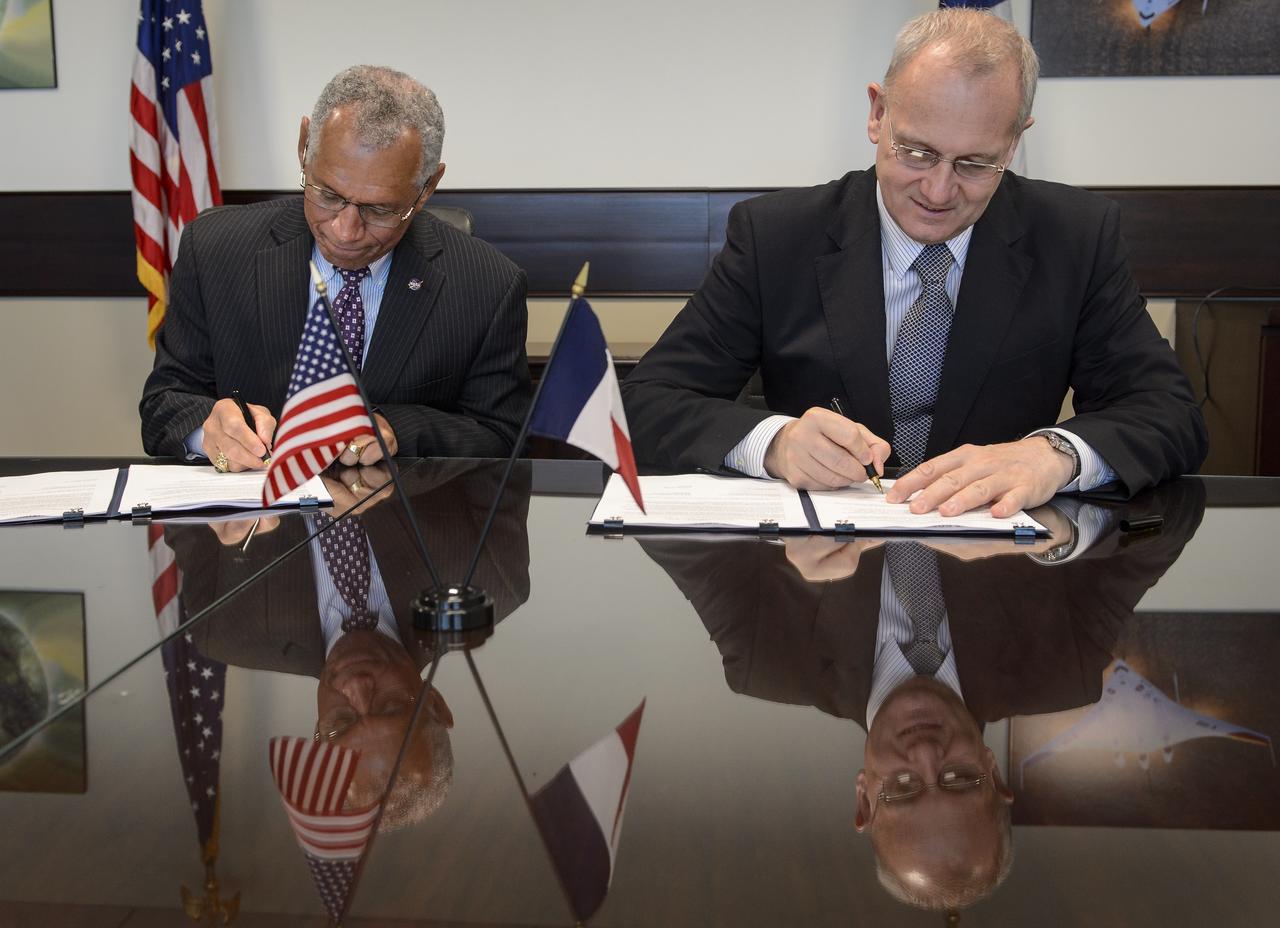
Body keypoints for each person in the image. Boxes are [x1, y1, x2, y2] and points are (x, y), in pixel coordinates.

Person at [621, 9, 1207, 518]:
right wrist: (774, 443)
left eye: (975, 163)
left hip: (999, 578)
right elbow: (645, 403)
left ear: (1013, 142)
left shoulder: (1075, 237)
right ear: (878, 114)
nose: (938, 190)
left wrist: (1053, 454)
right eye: (918, 152)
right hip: (819, 582)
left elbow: (1168, 412)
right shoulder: (775, 236)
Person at [637, 478, 1206, 910]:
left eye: (904, 787)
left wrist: (771, 455)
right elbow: (1178, 511)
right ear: (995, 774)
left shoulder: (769, 659)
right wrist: (1063, 530)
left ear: (864, 798)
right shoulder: (1062, 664)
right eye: (959, 778)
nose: (927, 753)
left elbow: (651, 512)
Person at [141, 65, 531, 468]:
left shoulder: (488, 285)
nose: (344, 231)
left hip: (399, 507)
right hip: (256, 506)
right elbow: (164, 402)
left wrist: (397, 429)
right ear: (304, 146)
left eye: (379, 210)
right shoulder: (215, 250)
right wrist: (208, 430)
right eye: (328, 194)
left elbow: (503, 436)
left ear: (428, 186)